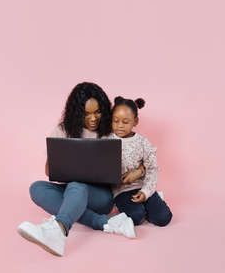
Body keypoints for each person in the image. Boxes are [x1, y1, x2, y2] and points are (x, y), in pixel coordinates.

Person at [17, 82, 136, 257]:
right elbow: (49, 171)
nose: (93, 118)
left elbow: (126, 165)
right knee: (37, 188)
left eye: (97, 112)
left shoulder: (112, 130)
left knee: (77, 185)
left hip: (102, 196)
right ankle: (102, 223)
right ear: (77, 113)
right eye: (86, 114)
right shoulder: (62, 130)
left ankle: (58, 228)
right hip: (73, 190)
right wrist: (58, 157)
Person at [108, 96, 173, 226]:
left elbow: (152, 168)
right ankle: (132, 208)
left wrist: (145, 192)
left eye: (125, 122)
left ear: (135, 121)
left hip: (141, 186)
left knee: (163, 218)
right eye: (116, 121)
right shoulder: (107, 141)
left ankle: (154, 199)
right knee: (136, 217)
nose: (120, 125)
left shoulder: (142, 142)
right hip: (121, 191)